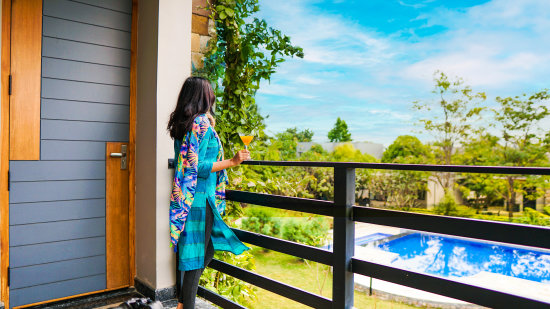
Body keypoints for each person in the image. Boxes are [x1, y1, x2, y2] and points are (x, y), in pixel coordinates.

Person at [167, 76, 250, 309]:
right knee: (197, 258)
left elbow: (187, 159)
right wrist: (233, 161)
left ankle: (183, 303)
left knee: (205, 251)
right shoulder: (200, 122)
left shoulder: (187, 122)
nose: (213, 96)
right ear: (203, 96)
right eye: (210, 92)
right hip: (200, 200)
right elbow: (198, 167)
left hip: (192, 198)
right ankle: (187, 306)